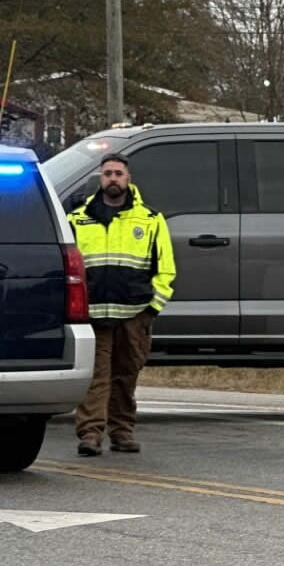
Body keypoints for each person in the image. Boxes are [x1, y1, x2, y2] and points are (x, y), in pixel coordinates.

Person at [66, 153, 176, 456]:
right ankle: (90, 434)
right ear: (100, 179)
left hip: (134, 314)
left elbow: (165, 268)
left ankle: (122, 432)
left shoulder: (151, 221)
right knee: (96, 377)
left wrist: (153, 307)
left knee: (126, 377)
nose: (113, 178)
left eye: (118, 173)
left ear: (129, 179)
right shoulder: (77, 220)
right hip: (95, 315)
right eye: (107, 173)